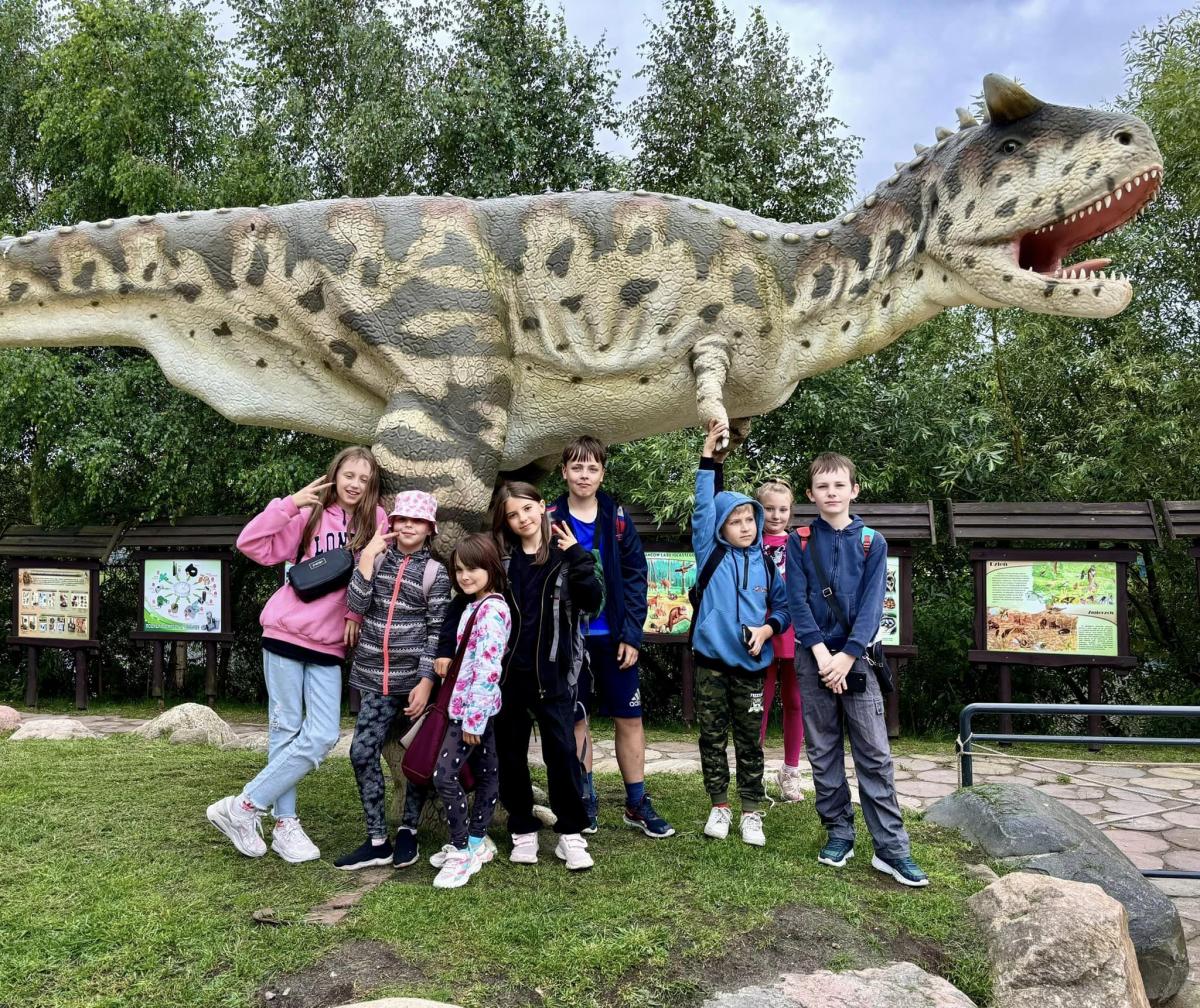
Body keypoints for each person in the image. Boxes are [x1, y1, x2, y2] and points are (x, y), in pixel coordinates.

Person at [208, 447, 387, 863]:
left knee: (323, 734)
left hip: (330, 642)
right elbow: (251, 544)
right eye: (349, 474)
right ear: (335, 474)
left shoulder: (376, 521)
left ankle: (243, 806)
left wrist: (355, 613)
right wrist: (288, 504)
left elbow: (381, 573)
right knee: (285, 730)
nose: (355, 484)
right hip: (285, 632)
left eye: (364, 478)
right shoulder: (309, 513)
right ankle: (285, 825)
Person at [785, 452, 928, 887]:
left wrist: (846, 655)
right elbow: (797, 601)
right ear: (810, 494)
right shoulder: (799, 541)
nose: (831, 493)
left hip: (858, 658)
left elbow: (871, 607)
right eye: (822, 487)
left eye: (838, 485)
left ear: (854, 490)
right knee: (823, 749)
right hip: (813, 659)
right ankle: (839, 833)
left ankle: (891, 849)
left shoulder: (871, 542)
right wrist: (821, 654)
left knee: (874, 754)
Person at [549, 436, 674, 839]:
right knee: (576, 719)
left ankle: (636, 802)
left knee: (630, 717)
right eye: (577, 467)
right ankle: (584, 800)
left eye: (592, 468)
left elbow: (636, 576)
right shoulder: (550, 517)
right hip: (569, 639)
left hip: (614, 636)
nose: (584, 475)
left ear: (603, 473)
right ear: (564, 472)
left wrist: (632, 635)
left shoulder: (616, 518)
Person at [487, 481, 603, 870]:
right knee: (511, 756)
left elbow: (591, 602)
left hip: (553, 675)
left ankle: (570, 834)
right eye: (512, 515)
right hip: (508, 677)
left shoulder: (564, 556)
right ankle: (522, 828)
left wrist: (579, 558)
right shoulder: (501, 562)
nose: (522, 519)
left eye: (526, 509)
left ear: (541, 506)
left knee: (563, 755)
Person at [333, 491, 451, 871]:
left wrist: (426, 682)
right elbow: (356, 605)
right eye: (403, 518)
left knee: (417, 757)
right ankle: (377, 840)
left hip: (414, 683)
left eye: (418, 521)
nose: (409, 525)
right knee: (361, 753)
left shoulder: (436, 572)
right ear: (393, 522)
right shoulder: (377, 559)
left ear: (430, 528)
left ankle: (409, 831)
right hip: (373, 679)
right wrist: (366, 558)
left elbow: (436, 631)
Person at [691, 420, 790, 847]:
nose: (746, 526)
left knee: (751, 742)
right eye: (735, 521)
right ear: (721, 527)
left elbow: (783, 609)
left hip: (751, 667)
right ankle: (719, 806)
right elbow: (703, 505)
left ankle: (751, 810)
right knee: (712, 738)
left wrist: (767, 630)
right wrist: (709, 459)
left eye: (750, 518)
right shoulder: (709, 552)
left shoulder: (766, 563)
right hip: (711, 665)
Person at [429, 533, 511, 889]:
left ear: (491, 567)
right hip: (476, 707)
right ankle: (476, 843)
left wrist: (473, 720)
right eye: (459, 569)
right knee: (489, 771)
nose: (464, 576)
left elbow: (488, 668)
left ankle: (462, 851)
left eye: (473, 568)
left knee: (444, 776)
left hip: (471, 711)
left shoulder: (491, 611)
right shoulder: (476, 605)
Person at [755, 479, 806, 803]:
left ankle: (790, 771)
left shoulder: (800, 544)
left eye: (782, 509)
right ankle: (753, 771)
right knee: (758, 703)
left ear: (791, 511)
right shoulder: (749, 542)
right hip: (760, 629)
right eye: (769, 509)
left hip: (794, 630)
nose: (776, 515)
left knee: (795, 702)